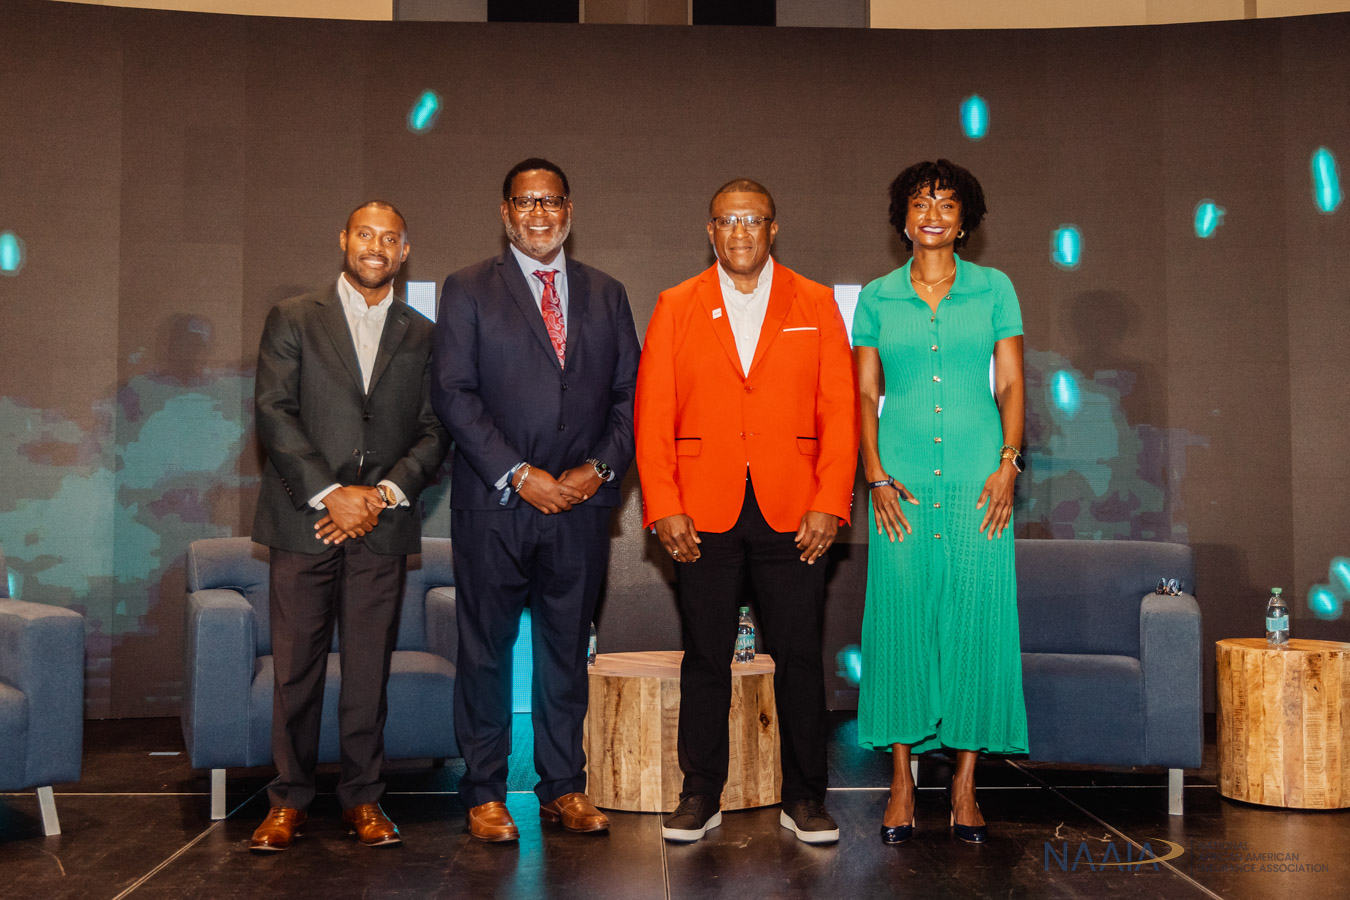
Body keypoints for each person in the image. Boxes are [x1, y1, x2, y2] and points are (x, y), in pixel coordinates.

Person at [635, 178, 859, 844]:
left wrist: (829, 501)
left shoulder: (815, 301)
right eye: (727, 221)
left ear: (772, 228)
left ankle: (806, 798)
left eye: (752, 220)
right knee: (706, 657)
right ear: (711, 231)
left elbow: (840, 410)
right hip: (702, 513)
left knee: (800, 658)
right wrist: (664, 504)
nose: (739, 232)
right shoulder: (676, 304)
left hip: (796, 513)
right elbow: (653, 414)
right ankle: (700, 794)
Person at [432, 158, 640, 842]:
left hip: (580, 509)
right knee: (485, 654)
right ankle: (485, 791)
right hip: (495, 505)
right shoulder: (466, 289)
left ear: (569, 211)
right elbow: (453, 394)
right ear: (505, 213)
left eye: (551, 201)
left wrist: (598, 472)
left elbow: (629, 397)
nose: (539, 213)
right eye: (526, 202)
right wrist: (520, 474)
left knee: (565, 653)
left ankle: (564, 788)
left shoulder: (607, 293)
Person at [250, 201, 451, 852]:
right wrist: (332, 495)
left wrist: (379, 496)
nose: (376, 246)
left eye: (390, 238)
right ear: (344, 239)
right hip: (304, 521)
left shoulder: (425, 334)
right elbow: (273, 412)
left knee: (368, 673)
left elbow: (435, 429)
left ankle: (363, 798)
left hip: (381, 525)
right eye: (365, 233)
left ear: (404, 251)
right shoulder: (293, 317)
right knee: (295, 671)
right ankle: (288, 800)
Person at [852, 159, 1028, 845]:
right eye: (921, 203)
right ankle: (902, 779)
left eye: (947, 204)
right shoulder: (877, 297)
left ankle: (964, 783)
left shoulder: (995, 289)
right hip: (899, 483)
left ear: (965, 221)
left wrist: (1009, 462)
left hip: (978, 479)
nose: (933, 214)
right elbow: (865, 391)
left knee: (977, 619)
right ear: (903, 218)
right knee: (899, 620)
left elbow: (1010, 383)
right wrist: (874, 473)